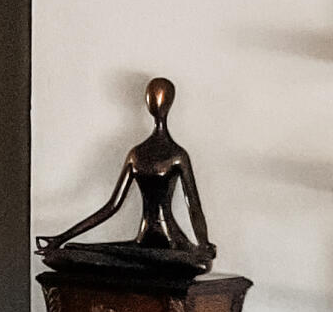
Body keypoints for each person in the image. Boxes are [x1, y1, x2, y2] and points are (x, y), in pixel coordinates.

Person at [36, 77, 217, 272]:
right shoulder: (136, 154)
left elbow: (194, 207)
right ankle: (127, 257)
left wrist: (203, 244)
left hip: (172, 246)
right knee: (68, 253)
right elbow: (111, 206)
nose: (156, 102)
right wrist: (61, 238)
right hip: (141, 243)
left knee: (197, 264)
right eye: (152, 97)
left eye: (160, 97)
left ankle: (141, 259)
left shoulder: (177, 155)